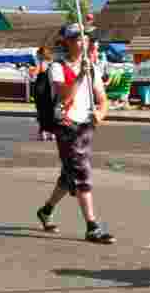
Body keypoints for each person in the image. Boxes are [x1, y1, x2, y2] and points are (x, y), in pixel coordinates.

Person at [35, 23, 115, 244]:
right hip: (66, 124)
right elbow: (64, 97)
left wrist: (101, 113)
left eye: (85, 38)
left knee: (70, 173)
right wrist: (80, 76)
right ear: (68, 42)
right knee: (81, 171)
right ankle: (92, 226)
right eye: (77, 38)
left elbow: (102, 99)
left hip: (86, 124)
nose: (83, 41)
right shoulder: (57, 68)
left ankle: (46, 210)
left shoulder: (93, 68)